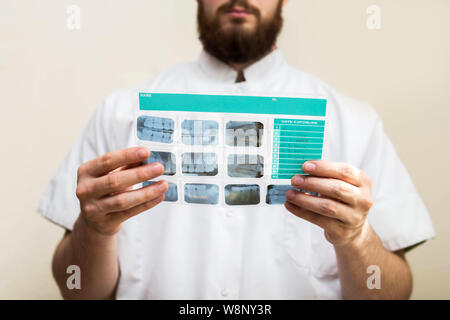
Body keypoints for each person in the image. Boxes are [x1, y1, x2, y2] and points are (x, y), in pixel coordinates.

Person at [38, 0, 435, 299]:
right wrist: (94, 230)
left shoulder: (354, 121)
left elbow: (393, 292)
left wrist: (357, 239)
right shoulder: (119, 113)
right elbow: (76, 290)